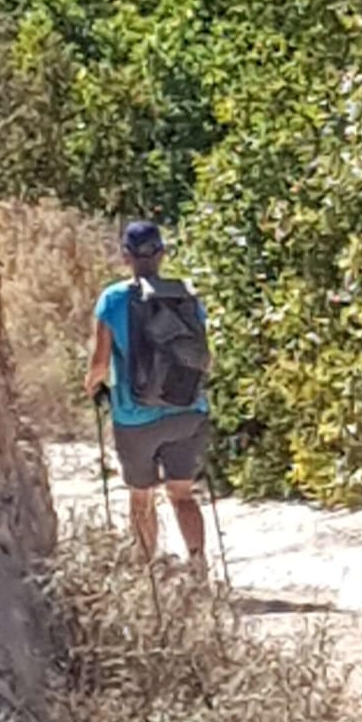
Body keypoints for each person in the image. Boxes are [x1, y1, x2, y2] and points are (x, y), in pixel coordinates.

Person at [86, 220, 212, 570]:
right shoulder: (185, 295)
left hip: (135, 416)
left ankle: (147, 571)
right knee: (182, 494)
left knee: (141, 497)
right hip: (187, 410)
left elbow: (99, 363)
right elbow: (205, 357)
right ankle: (198, 566)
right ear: (162, 253)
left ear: (125, 256)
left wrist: (93, 386)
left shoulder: (112, 299)